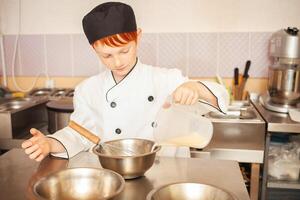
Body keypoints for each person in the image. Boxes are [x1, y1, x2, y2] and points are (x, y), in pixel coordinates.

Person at [21, 2, 229, 161]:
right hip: (114, 176)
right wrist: (50, 143)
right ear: (94, 49)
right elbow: (79, 134)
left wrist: (194, 88)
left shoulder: (166, 79)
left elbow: (220, 96)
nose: (118, 62)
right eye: (107, 56)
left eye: (124, 50)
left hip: (167, 174)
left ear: (137, 37)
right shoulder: (88, 90)